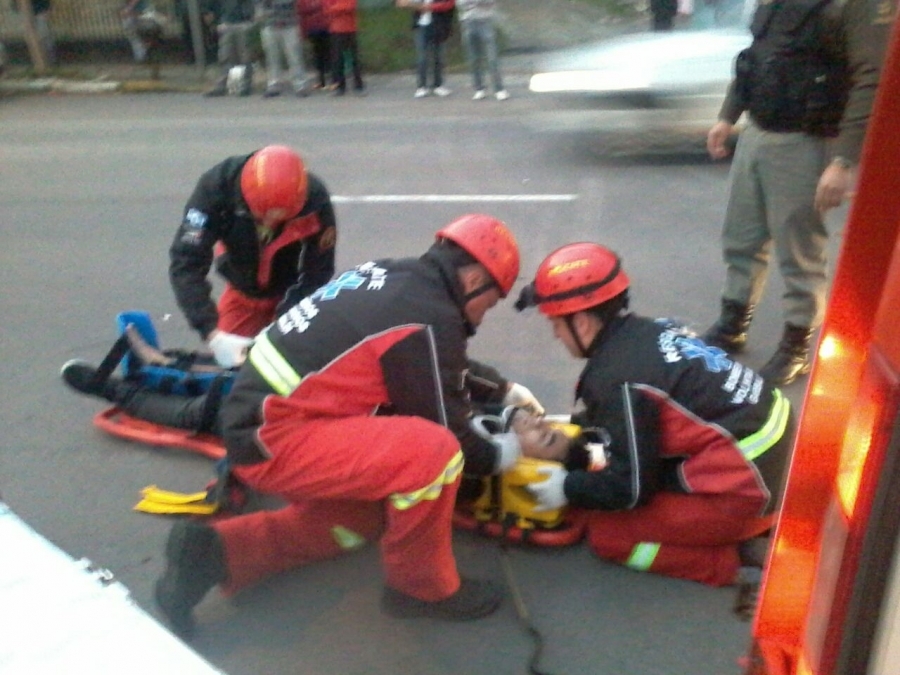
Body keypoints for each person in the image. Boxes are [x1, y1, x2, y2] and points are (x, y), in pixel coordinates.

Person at [152, 214, 548, 639]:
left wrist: (504, 391)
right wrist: (512, 450)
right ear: (473, 279)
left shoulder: (398, 278)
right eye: (488, 305)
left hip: (264, 420)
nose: (482, 317)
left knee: (359, 520)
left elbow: (431, 363)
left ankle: (216, 553)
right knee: (435, 453)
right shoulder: (427, 315)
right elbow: (458, 436)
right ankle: (420, 588)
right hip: (276, 435)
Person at [516, 242, 795, 588]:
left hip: (750, 491)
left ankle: (733, 561)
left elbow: (631, 488)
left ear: (583, 322)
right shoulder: (648, 333)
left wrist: (567, 487)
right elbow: (640, 420)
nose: (556, 335)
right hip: (780, 461)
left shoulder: (617, 379)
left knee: (609, 536)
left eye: (556, 324)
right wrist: (572, 428)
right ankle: (739, 532)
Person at [703, 0, 892, 386]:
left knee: (799, 252)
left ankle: (796, 347)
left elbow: (871, 79)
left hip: (806, 140)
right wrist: (728, 116)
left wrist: (842, 161)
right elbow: (756, 57)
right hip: (758, 131)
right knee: (741, 237)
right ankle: (732, 324)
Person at [170, 144, 337, 368]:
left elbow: (318, 271)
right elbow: (186, 262)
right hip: (241, 293)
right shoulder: (215, 190)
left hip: (292, 296)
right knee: (230, 371)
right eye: (264, 216)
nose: (271, 223)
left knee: (303, 370)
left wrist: (287, 317)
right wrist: (211, 332)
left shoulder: (314, 199)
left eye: (281, 218)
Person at [396, 0, 456, 98]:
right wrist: (411, 4)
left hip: (439, 26)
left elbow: (448, 4)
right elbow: (404, 3)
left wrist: (430, 7)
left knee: (438, 57)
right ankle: (421, 86)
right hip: (421, 26)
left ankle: (438, 85)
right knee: (422, 57)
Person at [457, 0, 508, 101]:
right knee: (474, 59)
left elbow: (490, 2)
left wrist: (474, 3)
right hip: (468, 23)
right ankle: (479, 88)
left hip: (485, 22)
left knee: (492, 59)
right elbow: (460, 3)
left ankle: (499, 89)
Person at [257, 0, 310, 97]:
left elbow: (292, 4)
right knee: (272, 57)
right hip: (270, 25)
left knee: (294, 56)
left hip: (289, 25)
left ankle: (300, 85)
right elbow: (260, 6)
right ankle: (274, 84)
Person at [203, 0, 256, 97]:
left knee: (245, 56)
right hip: (226, 23)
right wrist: (216, 22)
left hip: (243, 22)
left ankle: (246, 85)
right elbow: (213, 6)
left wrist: (251, 19)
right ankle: (222, 84)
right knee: (225, 56)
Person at [323, 0, 365, 95]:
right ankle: (339, 86)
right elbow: (326, 9)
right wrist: (338, 8)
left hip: (350, 29)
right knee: (337, 59)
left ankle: (358, 85)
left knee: (354, 58)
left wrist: (334, 8)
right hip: (335, 29)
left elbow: (350, 6)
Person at [297, 0, 331, 90]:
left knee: (328, 53)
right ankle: (321, 80)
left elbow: (327, 7)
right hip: (313, 28)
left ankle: (332, 79)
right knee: (317, 54)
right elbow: (301, 11)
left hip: (326, 26)